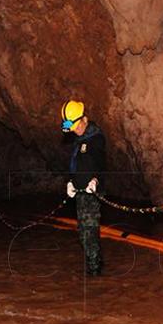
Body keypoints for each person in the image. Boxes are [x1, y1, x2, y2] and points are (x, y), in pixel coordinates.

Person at [62, 99, 106, 276]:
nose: (76, 131)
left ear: (85, 119)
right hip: (80, 193)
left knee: (90, 233)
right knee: (82, 232)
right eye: (73, 129)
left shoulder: (96, 138)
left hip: (92, 193)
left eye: (77, 126)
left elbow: (102, 165)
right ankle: (93, 265)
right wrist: (70, 181)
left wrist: (95, 180)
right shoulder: (79, 140)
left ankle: (95, 272)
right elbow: (76, 164)